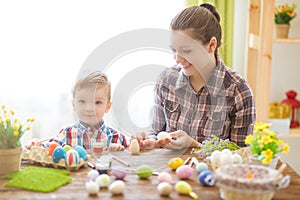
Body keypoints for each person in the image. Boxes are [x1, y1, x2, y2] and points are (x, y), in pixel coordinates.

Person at [136, 4, 256, 150]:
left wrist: (194, 145)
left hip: (213, 172)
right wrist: (149, 142)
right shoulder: (166, 81)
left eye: (186, 50)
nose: (177, 59)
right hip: (170, 171)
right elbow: (156, 132)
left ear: (211, 45)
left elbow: (241, 155)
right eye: (174, 50)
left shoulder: (238, 91)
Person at [56, 71, 128, 151]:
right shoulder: (65, 134)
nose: (89, 108)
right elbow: (47, 151)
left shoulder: (117, 138)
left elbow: (134, 157)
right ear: (74, 104)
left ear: (108, 106)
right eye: (82, 101)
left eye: (97, 102)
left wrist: (141, 146)